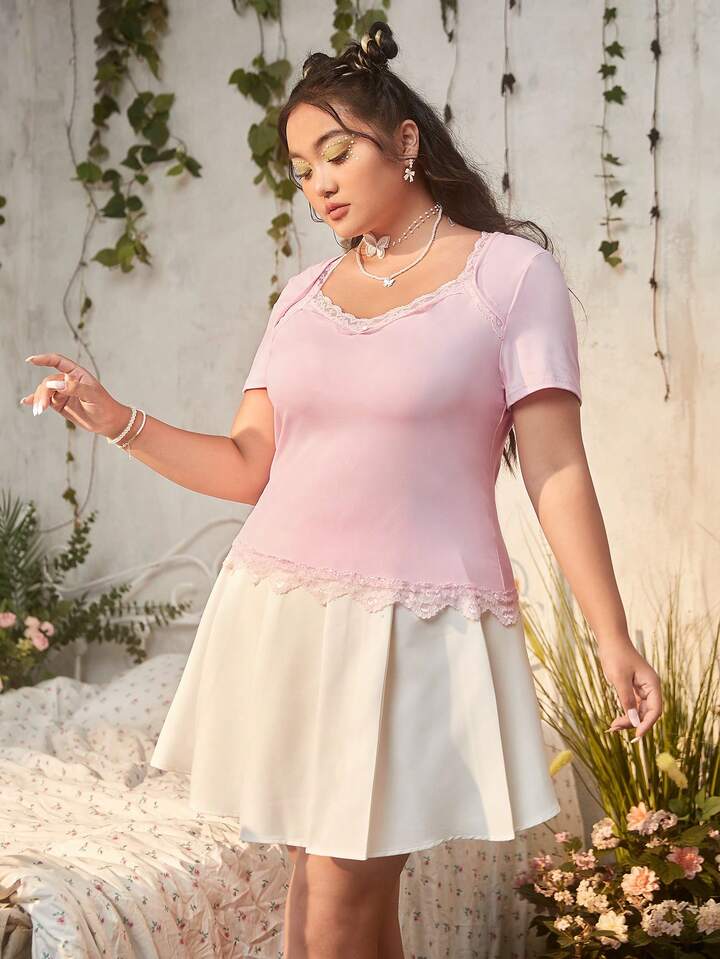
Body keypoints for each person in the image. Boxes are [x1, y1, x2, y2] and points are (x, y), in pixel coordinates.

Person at [20, 20, 663, 959]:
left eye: (336, 152)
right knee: (319, 894)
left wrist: (613, 636)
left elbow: (556, 469)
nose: (318, 182)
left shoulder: (509, 276)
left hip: (415, 624)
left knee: (340, 897)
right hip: (282, 611)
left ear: (404, 141)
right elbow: (248, 465)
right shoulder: (302, 297)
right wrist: (114, 416)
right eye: (299, 169)